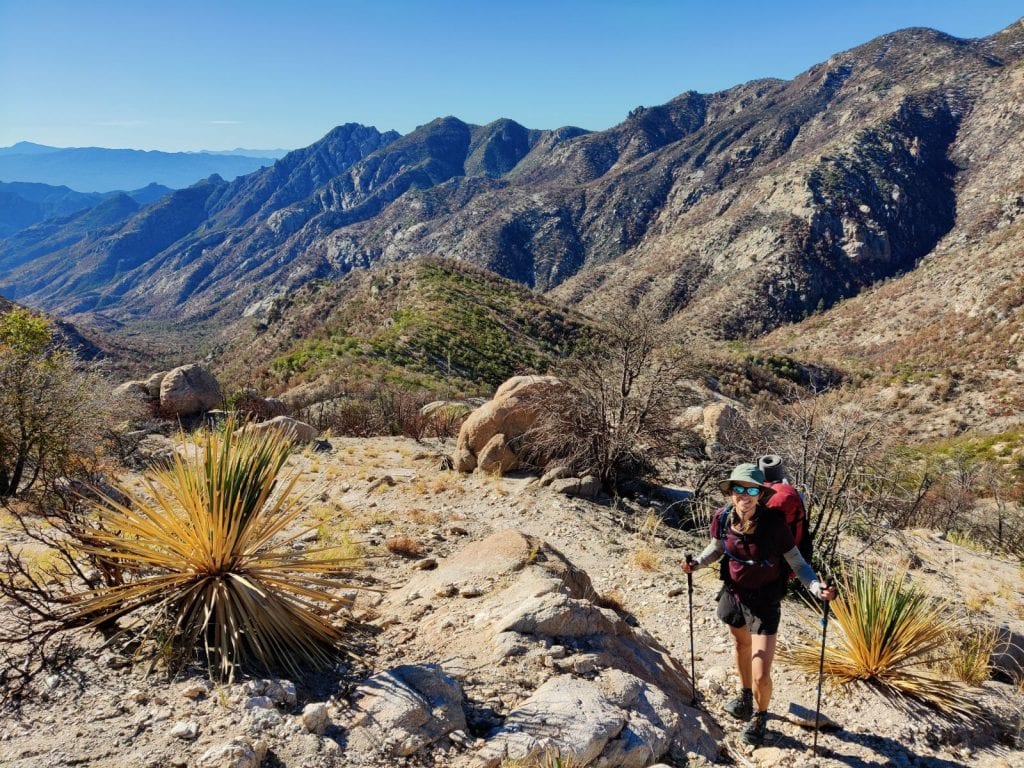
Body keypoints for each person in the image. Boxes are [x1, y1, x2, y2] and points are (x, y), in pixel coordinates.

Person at [682, 463, 836, 746]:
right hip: (733, 593)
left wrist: (817, 588)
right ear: (731, 493)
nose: (744, 495)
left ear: (760, 495)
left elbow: (798, 564)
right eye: (738, 489)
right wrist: (697, 564)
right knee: (741, 645)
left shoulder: (775, 526)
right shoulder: (724, 517)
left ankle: (760, 716)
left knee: (762, 671)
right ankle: (744, 697)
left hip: (765, 600)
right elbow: (718, 548)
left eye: (751, 489)